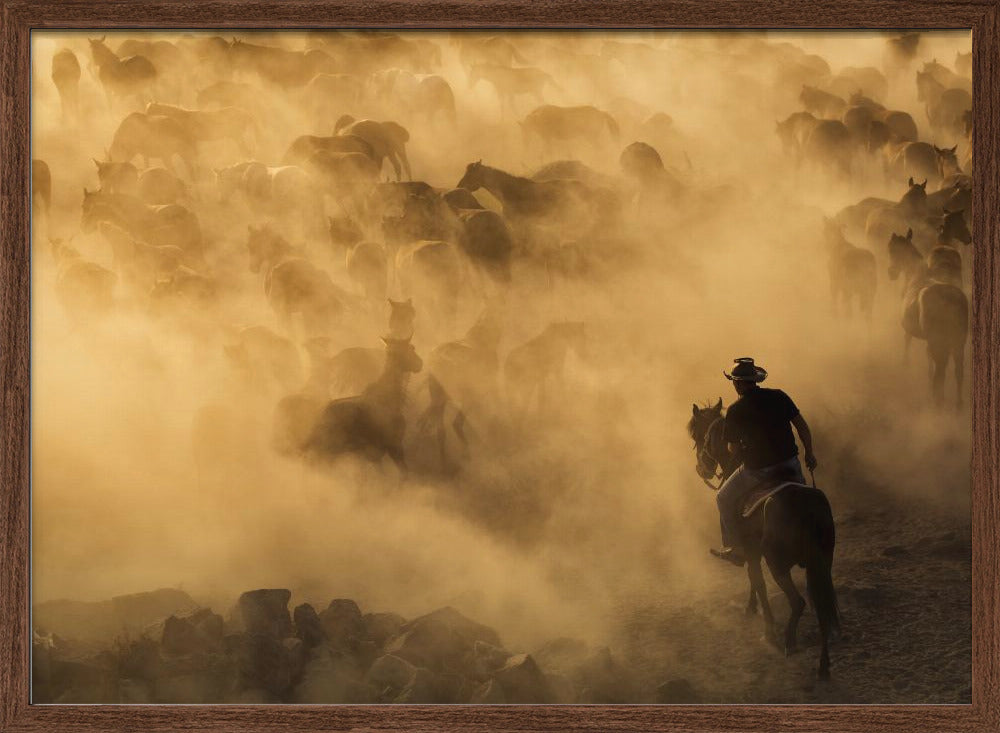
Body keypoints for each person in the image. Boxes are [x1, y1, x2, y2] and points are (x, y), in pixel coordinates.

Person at [711, 357, 818, 566]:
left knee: (722, 498)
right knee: (807, 500)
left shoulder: (735, 410)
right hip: (790, 464)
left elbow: (732, 449)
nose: (734, 385)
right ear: (755, 379)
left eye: (734, 381)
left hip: (758, 471)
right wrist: (810, 454)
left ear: (739, 383)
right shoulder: (779, 396)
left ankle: (737, 548)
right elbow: (802, 427)